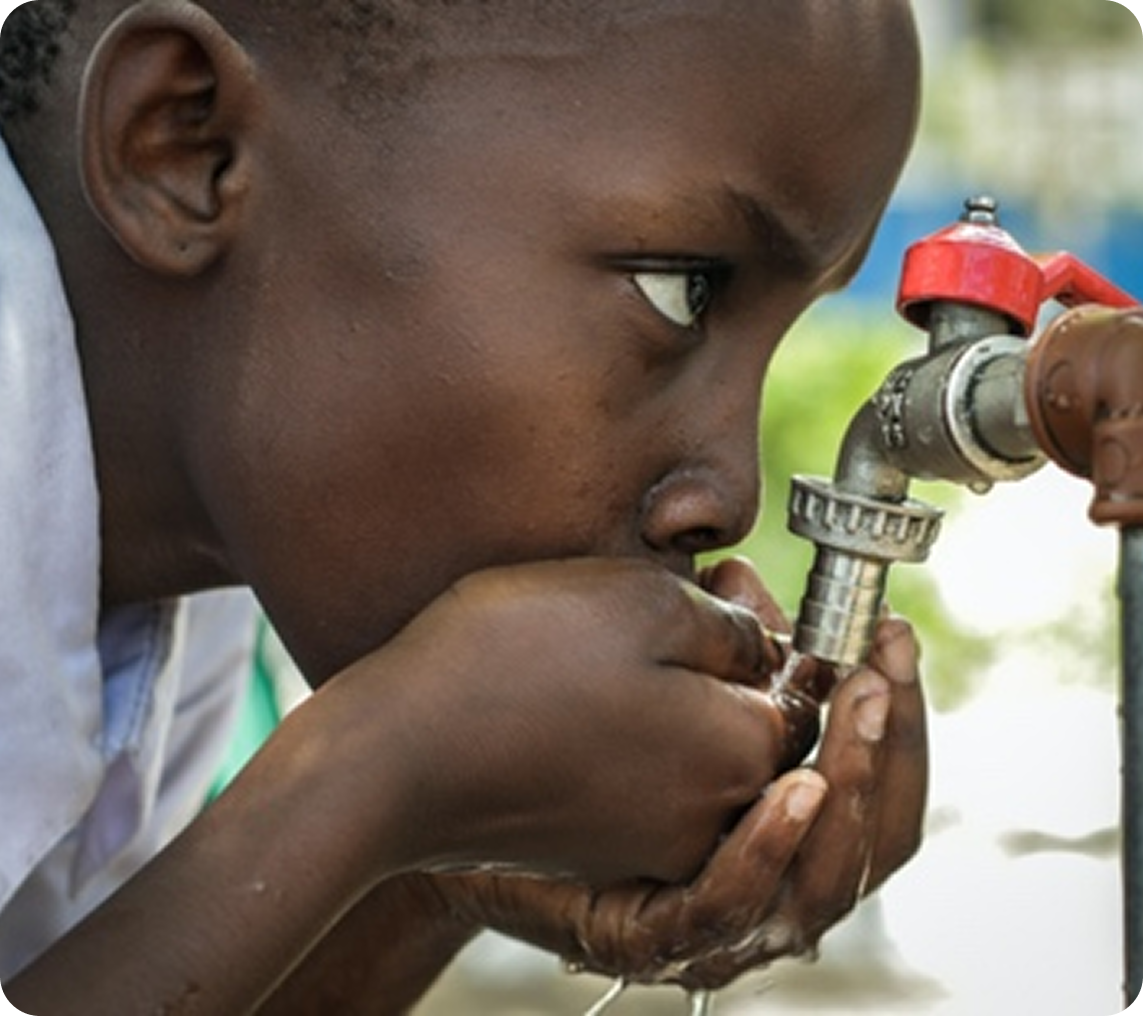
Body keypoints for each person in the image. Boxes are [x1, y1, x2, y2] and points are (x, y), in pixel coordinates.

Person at [0, 0, 929, 1011]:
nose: (728, 496)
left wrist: (431, 866)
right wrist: (372, 774)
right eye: (680, 290)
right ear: (187, 148)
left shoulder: (184, 553)